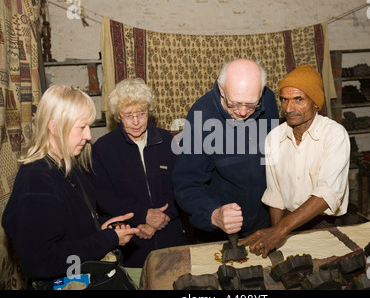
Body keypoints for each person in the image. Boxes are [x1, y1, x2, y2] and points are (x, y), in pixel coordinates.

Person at [1, 85, 139, 288]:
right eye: (81, 127)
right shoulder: (35, 180)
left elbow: (68, 227)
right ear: (55, 127)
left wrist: (101, 226)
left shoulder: (67, 166)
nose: (89, 136)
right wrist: (108, 239)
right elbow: (41, 262)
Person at [239, 65, 350, 257]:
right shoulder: (274, 138)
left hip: (323, 224)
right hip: (286, 223)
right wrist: (276, 233)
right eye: (284, 100)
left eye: (298, 99)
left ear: (315, 103)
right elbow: (275, 194)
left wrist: (280, 230)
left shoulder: (334, 134)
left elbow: (327, 192)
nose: (289, 108)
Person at [172, 59, 279, 242]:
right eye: (234, 104)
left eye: (252, 105)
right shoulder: (201, 117)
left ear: (261, 92)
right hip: (220, 227)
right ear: (221, 89)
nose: (243, 112)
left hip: (263, 217)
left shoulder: (267, 100)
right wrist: (213, 214)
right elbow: (187, 184)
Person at [90, 78, 186, 276]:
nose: (135, 122)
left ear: (149, 112)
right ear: (118, 116)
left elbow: (182, 186)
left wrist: (162, 218)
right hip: (131, 241)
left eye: (141, 114)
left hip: (170, 239)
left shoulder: (167, 141)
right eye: (128, 116)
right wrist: (143, 217)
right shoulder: (103, 149)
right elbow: (103, 198)